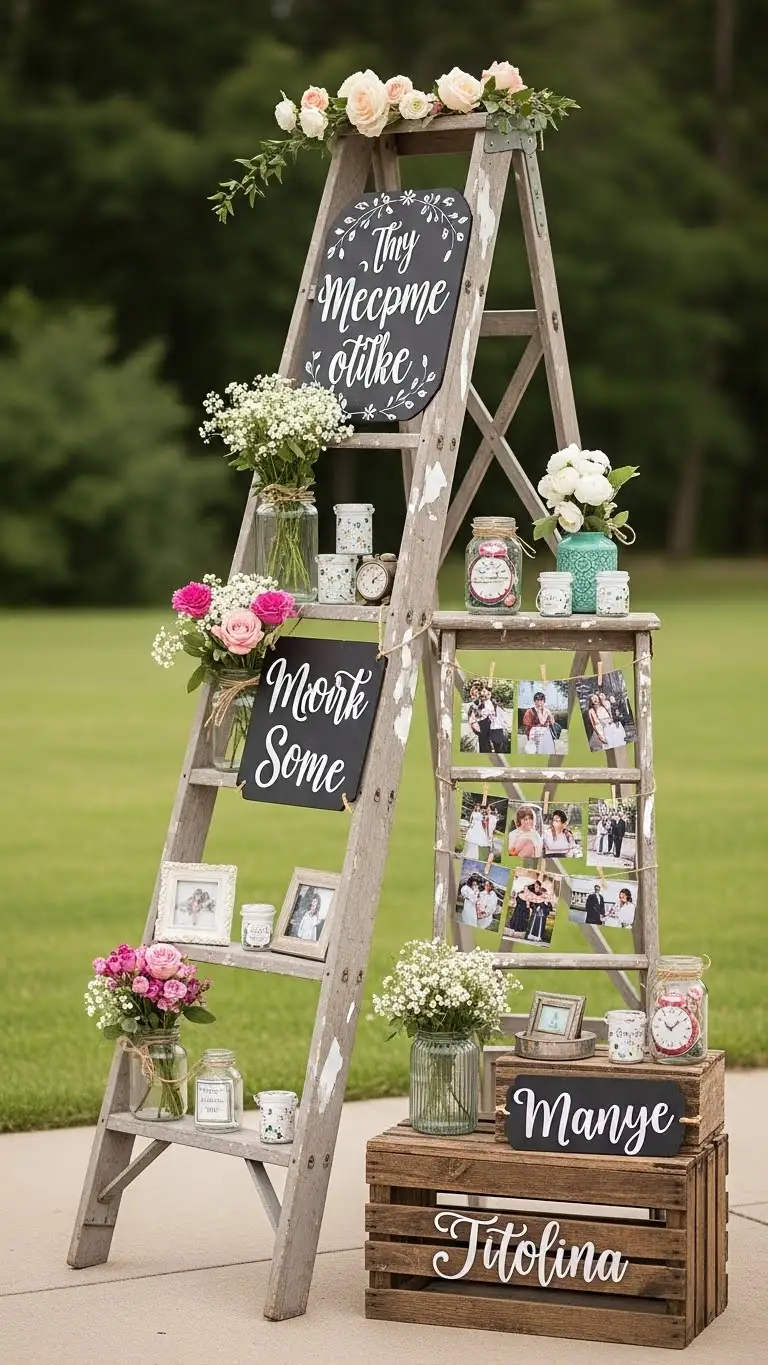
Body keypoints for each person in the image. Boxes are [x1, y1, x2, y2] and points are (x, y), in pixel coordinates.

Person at [521, 690, 557, 755]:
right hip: (534, 736)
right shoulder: (530, 711)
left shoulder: (547, 711)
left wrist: (549, 719)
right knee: (535, 752)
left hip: (546, 736)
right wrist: (536, 727)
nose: (540, 702)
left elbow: (552, 722)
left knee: (546, 752)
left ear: (544, 701)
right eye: (538, 700)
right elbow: (526, 723)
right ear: (535, 701)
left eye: (542, 700)